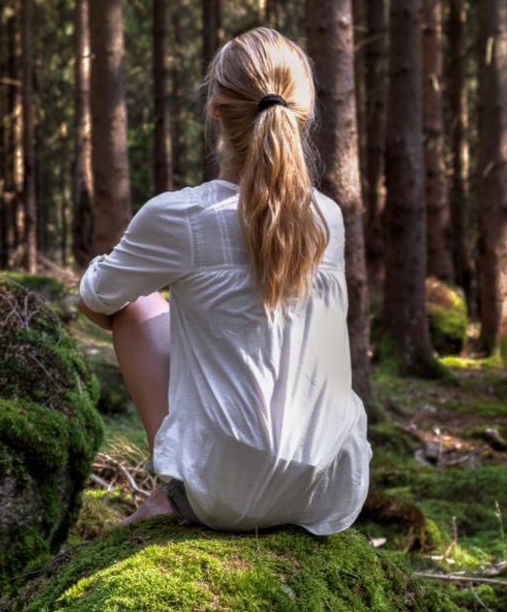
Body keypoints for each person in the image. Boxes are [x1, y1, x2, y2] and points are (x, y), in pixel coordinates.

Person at [77, 27, 370, 535]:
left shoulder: (180, 215)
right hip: (330, 490)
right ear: (302, 111)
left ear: (215, 108)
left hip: (222, 496)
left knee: (137, 304)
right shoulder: (327, 218)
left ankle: (171, 489)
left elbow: (96, 299)